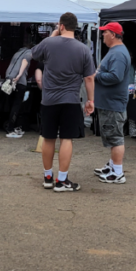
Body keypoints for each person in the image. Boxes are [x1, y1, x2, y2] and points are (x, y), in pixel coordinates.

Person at [33, 12, 95, 192]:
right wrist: (90, 100)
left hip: (49, 100)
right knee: (66, 138)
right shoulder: (83, 49)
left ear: (61, 26)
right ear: (75, 27)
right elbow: (89, 78)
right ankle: (61, 180)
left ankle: (47, 176)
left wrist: (52, 36)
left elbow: (34, 54)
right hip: (70, 100)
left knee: (48, 137)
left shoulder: (48, 43)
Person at [93, 22, 132, 184]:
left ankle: (118, 173)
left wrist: (96, 75)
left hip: (113, 103)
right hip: (110, 102)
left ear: (114, 35)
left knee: (115, 137)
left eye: (105, 32)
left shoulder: (118, 53)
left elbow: (116, 77)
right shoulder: (116, 52)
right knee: (112, 135)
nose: (102, 35)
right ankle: (112, 166)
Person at [4, 42, 34, 138]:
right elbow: (25, 61)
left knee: (10, 104)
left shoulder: (17, 53)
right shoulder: (29, 53)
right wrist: (19, 76)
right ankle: (11, 129)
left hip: (8, 78)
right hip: (19, 81)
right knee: (17, 105)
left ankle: (12, 126)